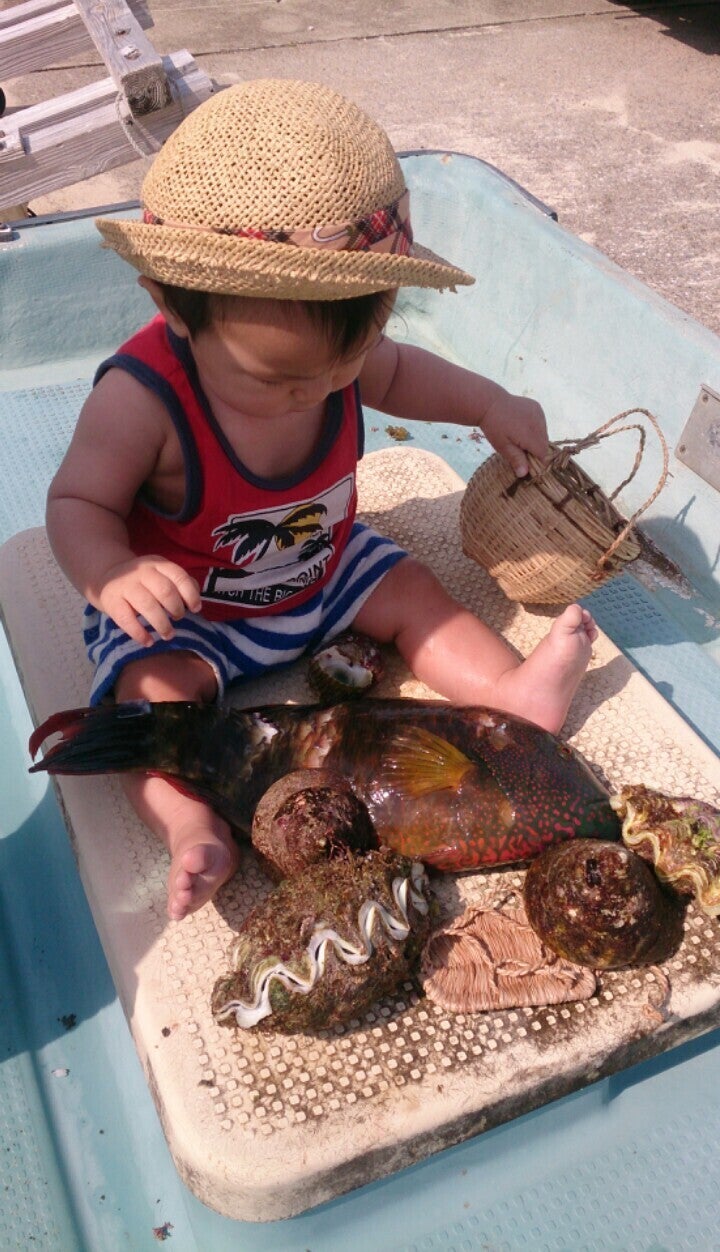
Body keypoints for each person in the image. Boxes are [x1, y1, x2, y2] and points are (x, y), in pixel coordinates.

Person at [46, 79, 597, 922]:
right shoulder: (141, 400)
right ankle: (191, 824)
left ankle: (510, 693)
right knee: (151, 696)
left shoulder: (334, 351)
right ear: (172, 308)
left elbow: (405, 374)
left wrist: (491, 404)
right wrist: (112, 571)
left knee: (414, 591)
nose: (321, 390)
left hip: (324, 568)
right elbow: (77, 501)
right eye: (280, 379)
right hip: (196, 610)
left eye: (348, 364)